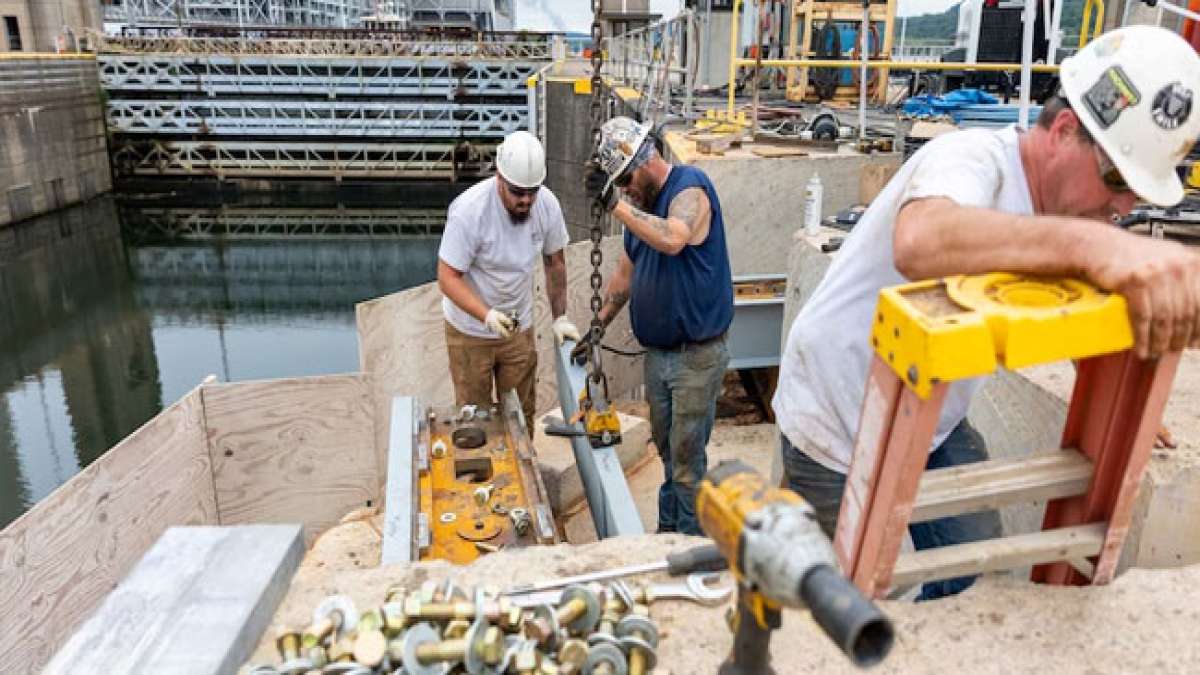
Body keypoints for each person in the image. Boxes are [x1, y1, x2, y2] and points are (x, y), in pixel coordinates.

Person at [772, 25, 1200, 600]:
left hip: (929, 414)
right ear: (1067, 130)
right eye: (1118, 179)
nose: (1124, 206)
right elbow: (920, 242)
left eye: (1137, 194)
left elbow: (1053, 277)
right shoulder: (970, 157)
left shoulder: (1061, 213)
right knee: (860, 611)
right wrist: (1093, 248)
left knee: (973, 577)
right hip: (837, 420)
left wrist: (1122, 402)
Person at [582, 116, 735, 535]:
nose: (627, 189)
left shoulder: (690, 187)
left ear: (645, 161)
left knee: (687, 463)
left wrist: (616, 205)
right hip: (660, 357)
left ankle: (689, 546)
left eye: (627, 179)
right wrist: (597, 328)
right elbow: (624, 277)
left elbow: (674, 238)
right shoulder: (642, 213)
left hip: (695, 358)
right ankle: (668, 536)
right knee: (668, 453)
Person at [437, 130, 581, 431]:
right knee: (476, 422)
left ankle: (526, 472)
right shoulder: (470, 212)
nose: (526, 200)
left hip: (517, 329)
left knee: (520, 416)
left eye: (533, 191)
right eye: (517, 192)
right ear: (500, 178)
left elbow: (555, 262)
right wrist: (486, 315)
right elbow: (448, 278)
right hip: (470, 332)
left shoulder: (546, 206)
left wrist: (560, 317)